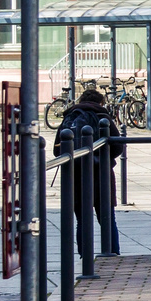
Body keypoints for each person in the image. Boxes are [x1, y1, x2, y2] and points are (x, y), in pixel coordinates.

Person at [59, 88, 119, 253]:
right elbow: (118, 146)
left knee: (82, 220)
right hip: (101, 175)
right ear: (100, 102)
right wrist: (104, 158)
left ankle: (84, 258)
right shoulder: (103, 117)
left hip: (75, 176)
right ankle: (112, 253)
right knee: (107, 219)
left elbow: (58, 150)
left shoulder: (70, 117)